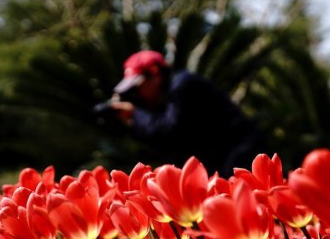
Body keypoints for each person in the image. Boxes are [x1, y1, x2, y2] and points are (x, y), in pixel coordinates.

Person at [106, 50, 263, 176]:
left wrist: (135, 113)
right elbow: (165, 142)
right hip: (221, 161)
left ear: (155, 74)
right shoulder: (164, 99)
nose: (137, 93)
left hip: (237, 156)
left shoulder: (182, 84)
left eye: (137, 86)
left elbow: (170, 129)